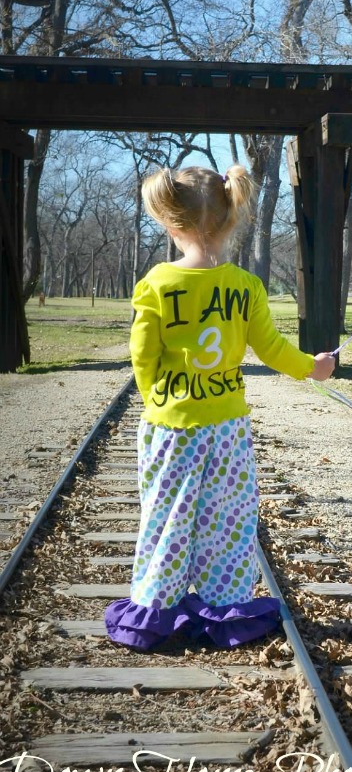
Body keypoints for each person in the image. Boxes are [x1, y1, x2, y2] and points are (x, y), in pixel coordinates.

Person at [105, 165, 335, 651]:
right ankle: (225, 605)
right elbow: (272, 350)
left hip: (170, 429)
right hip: (227, 429)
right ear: (231, 219)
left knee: (166, 515)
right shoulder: (246, 287)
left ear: (171, 224)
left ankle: (154, 609)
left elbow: (142, 355)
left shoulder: (156, 284)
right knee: (228, 518)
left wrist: (156, 399)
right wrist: (312, 368)